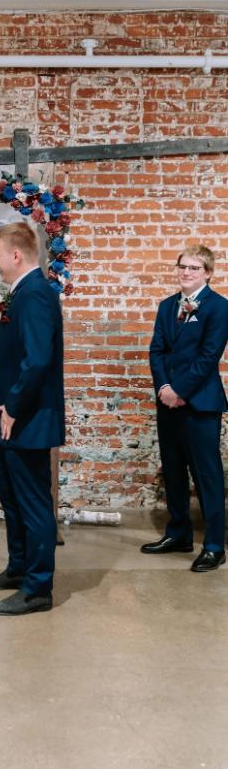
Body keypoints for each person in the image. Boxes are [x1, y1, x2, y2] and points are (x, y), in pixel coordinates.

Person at [0, 222, 65, 615]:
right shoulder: (22, 293)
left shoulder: (37, 294)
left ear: (16, 255)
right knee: (8, 492)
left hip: (27, 416)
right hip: (12, 413)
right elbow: (24, 349)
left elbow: (39, 359)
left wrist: (13, 406)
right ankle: (19, 567)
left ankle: (38, 588)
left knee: (33, 502)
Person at [142, 244, 228, 572]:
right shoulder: (166, 307)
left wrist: (180, 390)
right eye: (182, 267)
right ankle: (178, 533)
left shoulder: (220, 308)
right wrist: (165, 388)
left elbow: (209, 357)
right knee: (173, 470)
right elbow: (157, 351)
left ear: (207, 272)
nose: (186, 272)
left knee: (206, 474)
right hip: (168, 403)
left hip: (201, 404)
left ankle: (214, 545)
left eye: (194, 268)